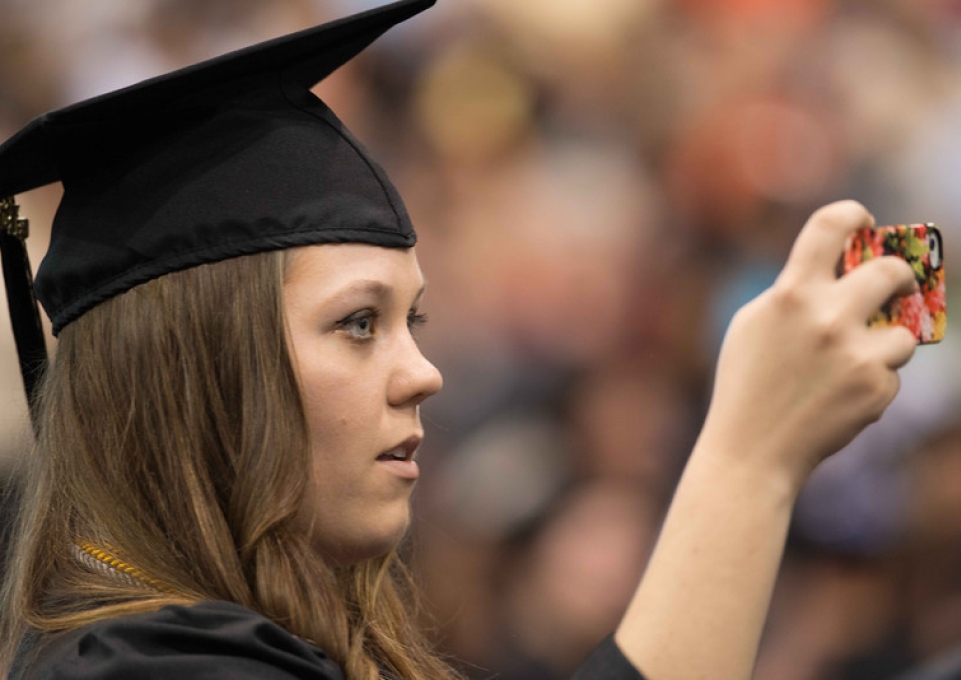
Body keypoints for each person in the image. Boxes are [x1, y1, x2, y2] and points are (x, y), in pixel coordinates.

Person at [0, 0, 921, 678]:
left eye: (415, 320)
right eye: (358, 323)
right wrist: (750, 457)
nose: (423, 374)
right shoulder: (143, 669)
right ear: (194, 371)